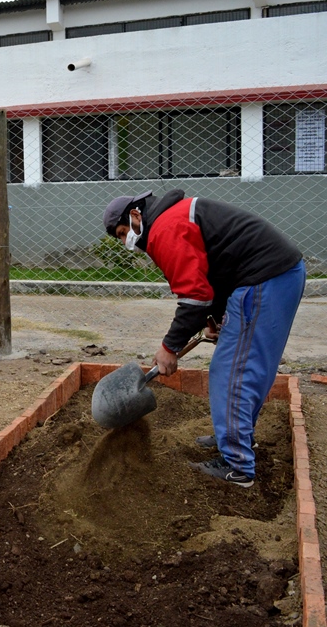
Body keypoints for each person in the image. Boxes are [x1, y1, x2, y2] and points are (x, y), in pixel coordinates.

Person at [103, 190, 305, 488]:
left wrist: (169, 347)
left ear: (135, 215)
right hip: (275, 276)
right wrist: (214, 320)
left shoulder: (165, 228)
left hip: (264, 280)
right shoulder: (173, 218)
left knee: (232, 371)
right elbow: (212, 274)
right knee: (245, 367)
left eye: (123, 233)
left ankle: (237, 465)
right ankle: (235, 437)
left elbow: (194, 296)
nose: (125, 242)